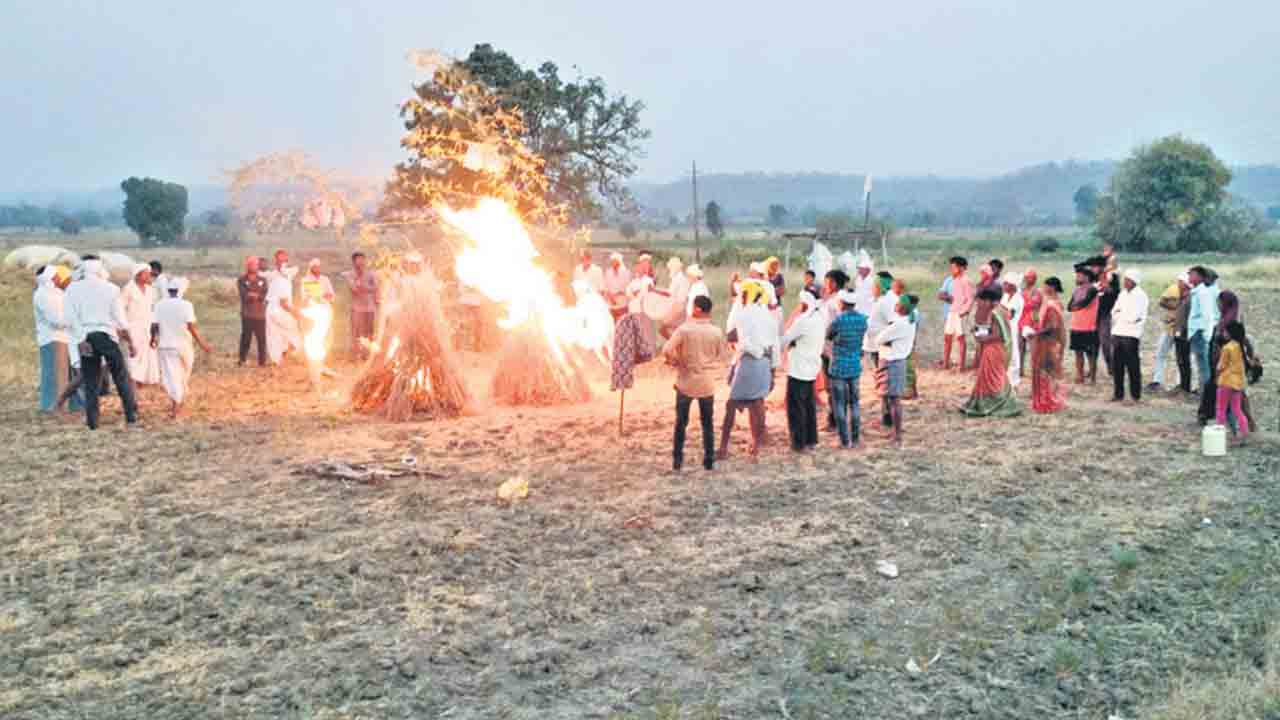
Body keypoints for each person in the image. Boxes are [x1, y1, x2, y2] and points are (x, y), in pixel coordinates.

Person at [64, 259, 138, 429]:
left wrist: (81, 339)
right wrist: (131, 342)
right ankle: (131, 417)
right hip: (107, 337)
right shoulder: (111, 289)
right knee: (121, 378)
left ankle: (92, 422)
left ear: (83, 271)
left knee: (91, 382)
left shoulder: (72, 289)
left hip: (86, 338)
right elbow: (120, 319)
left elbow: (70, 317)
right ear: (100, 270)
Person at [662, 295, 728, 471]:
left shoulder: (685, 329)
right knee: (707, 424)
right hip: (707, 383)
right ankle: (708, 460)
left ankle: (677, 460)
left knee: (680, 423)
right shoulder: (716, 331)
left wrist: (675, 361)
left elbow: (667, 349)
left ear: (697, 309)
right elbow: (721, 357)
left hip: (686, 381)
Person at [718, 281, 778, 461]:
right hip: (765, 363)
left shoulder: (743, 313)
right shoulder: (769, 316)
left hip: (749, 361)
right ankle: (756, 446)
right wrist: (773, 371)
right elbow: (774, 345)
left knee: (731, 405)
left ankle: (723, 448)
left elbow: (734, 337)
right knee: (758, 405)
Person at [152, 277, 212, 417]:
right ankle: (177, 403)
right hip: (183, 345)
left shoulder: (159, 305)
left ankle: (177, 400)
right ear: (181, 291)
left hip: (166, 346)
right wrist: (202, 343)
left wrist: (152, 339)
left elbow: (154, 325)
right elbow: (190, 327)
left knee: (171, 375)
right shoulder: (186, 305)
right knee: (183, 374)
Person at [961, 287, 1021, 418]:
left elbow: (997, 334)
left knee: (991, 376)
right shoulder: (1002, 309)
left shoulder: (995, 312)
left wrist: (980, 337)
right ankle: (1002, 399)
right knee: (995, 375)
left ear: (988, 300)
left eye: (981, 301)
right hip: (999, 348)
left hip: (992, 349)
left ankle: (995, 402)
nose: (979, 304)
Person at [781, 291, 826, 452]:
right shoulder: (819, 319)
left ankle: (798, 443)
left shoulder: (802, 321)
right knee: (809, 406)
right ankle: (811, 440)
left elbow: (785, 339)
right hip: (812, 368)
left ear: (805, 304)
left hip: (798, 369)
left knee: (795, 408)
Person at [33, 265, 80, 412]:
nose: (60, 278)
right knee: (54, 374)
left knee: (68, 374)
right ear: (50, 278)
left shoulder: (56, 293)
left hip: (65, 338)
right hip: (53, 338)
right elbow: (55, 320)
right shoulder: (42, 295)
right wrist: (74, 321)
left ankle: (72, 405)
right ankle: (50, 406)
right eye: (56, 276)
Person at [825, 288, 868, 448]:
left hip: (838, 367)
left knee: (839, 404)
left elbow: (828, 335)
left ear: (842, 303)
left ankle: (844, 440)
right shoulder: (863, 319)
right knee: (855, 403)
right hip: (855, 366)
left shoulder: (838, 320)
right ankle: (855, 439)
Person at [875, 294, 918, 447]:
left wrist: (886, 338)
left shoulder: (899, 324)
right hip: (898, 361)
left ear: (903, 308)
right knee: (893, 400)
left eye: (898, 303)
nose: (895, 305)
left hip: (892, 362)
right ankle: (895, 431)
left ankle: (897, 435)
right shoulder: (910, 319)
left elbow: (878, 339)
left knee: (894, 401)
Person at [1029, 277, 1068, 414]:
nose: (1043, 289)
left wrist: (1036, 333)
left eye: (1045, 286)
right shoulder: (1054, 302)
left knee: (1047, 370)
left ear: (1052, 287)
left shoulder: (1051, 305)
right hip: (1050, 341)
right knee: (1050, 371)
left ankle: (1049, 401)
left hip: (1049, 342)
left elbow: (1053, 326)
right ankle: (1050, 399)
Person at [1110, 268, 1148, 403]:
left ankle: (1135, 395)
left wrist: (1122, 315)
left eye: (1127, 280)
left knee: (1132, 365)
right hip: (1118, 331)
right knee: (1117, 365)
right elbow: (1114, 311)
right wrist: (1122, 315)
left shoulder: (1141, 296)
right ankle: (1118, 394)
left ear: (1134, 281)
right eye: (1124, 280)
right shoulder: (1122, 294)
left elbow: (1134, 316)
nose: (1124, 282)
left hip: (1131, 334)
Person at [120, 263, 161, 387]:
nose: (150, 276)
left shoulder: (150, 290)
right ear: (138, 275)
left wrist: (154, 331)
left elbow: (152, 310)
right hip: (132, 328)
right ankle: (131, 386)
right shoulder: (128, 289)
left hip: (146, 328)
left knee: (145, 358)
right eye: (147, 273)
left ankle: (139, 384)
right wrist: (122, 329)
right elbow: (120, 309)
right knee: (133, 358)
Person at [1214, 321, 1251, 445]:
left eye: (1225, 331)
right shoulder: (1241, 347)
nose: (1223, 333)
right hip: (1238, 383)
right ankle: (1245, 433)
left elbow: (1221, 366)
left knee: (1221, 409)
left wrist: (1217, 371)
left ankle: (1219, 435)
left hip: (1226, 381)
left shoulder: (1227, 348)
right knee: (1237, 409)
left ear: (1230, 333)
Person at [1149, 273, 1186, 391]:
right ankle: (1157, 380)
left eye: (1181, 281)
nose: (1178, 283)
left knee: (1180, 357)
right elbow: (1162, 301)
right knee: (1161, 353)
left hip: (1181, 329)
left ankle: (1180, 383)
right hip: (1170, 327)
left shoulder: (1191, 294)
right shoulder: (1174, 289)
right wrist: (1174, 305)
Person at [265, 249, 302, 365]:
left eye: (284, 259)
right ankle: (281, 357)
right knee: (285, 332)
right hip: (277, 309)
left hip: (275, 309)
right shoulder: (276, 277)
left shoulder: (286, 275)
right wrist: (296, 313)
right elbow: (283, 302)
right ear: (276, 261)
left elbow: (291, 271)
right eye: (279, 260)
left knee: (280, 334)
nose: (282, 262)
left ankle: (280, 358)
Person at [1187, 266, 1220, 392]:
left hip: (1200, 332)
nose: (1189, 277)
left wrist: (1206, 334)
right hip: (1196, 331)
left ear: (1200, 277)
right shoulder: (1197, 291)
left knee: (1203, 365)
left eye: (1192, 274)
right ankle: (1204, 391)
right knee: (1201, 364)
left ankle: (1206, 393)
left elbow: (1208, 315)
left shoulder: (1203, 293)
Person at [1068, 266, 1101, 384]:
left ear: (1087, 277)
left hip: (1089, 327)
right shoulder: (1076, 290)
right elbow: (1069, 307)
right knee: (1078, 353)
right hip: (1076, 325)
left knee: (1090, 355)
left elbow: (1082, 304)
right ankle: (1080, 376)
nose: (1077, 277)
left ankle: (1092, 378)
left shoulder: (1092, 290)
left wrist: (1076, 306)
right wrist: (1076, 306)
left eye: (1079, 275)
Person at [343, 251, 379, 359]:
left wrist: (367, 289)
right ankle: (355, 355)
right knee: (356, 333)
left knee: (369, 332)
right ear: (354, 262)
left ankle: (367, 355)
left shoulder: (371, 274)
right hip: (357, 308)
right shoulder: (350, 274)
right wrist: (365, 286)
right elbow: (354, 289)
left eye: (363, 259)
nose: (361, 262)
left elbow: (376, 288)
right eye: (358, 260)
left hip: (370, 308)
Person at [235, 256, 269, 366]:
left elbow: (264, 296)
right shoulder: (241, 280)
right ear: (246, 266)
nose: (252, 266)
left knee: (261, 339)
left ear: (258, 266)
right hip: (247, 314)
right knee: (246, 338)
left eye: (254, 264)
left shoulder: (263, 280)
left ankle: (262, 362)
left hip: (260, 314)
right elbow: (244, 295)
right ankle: (242, 359)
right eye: (250, 264)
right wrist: (256, 295)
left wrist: (253, 295)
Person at [941, 257, 973, 371]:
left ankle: (962, 366)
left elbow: (969, 299)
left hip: (960, 313)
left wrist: (964, 312)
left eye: (953, 267)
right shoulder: (955, 280)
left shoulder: (966, 280)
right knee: (947, 337)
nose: (951, 269)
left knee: (960, 338)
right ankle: (946, 363)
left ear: (960, 267)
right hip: (952, 311)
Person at [864, 271, 897, 371]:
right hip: (875, 344)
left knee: (883, 373)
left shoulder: (888, 300)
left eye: (874, 285)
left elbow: (894, 323)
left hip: (883, 346)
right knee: (879, 371)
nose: (872, 288)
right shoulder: (879, 299)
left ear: (880, 286)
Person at [1094, 257, 1120, 377]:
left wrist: (1106, 286)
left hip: (1105, 313)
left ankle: (1111, 366)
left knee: (1105, 342)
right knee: (1093, 343)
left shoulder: (1113, 278)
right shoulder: (1093, 278)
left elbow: (1115, 293)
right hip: (1093, 314)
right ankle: (1092, 368)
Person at [1000, 273, 1025, 389]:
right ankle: (1004, 381)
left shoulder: (1018, 298)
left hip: (1013, 328)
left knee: (1013, 355)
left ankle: (1014, 383)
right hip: (1003, 327)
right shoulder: (1005, 296)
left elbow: (1010, 315)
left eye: (1006, 283)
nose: (1003, 285)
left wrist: (999, 307)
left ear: (1013, 285)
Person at [1017, 269, 1042, 376]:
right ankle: (1020, 370)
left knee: (1033, 350)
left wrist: (1022, 301)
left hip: (1031, 322)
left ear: (1034, 279)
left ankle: (1035, 371)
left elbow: (1033, 304)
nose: (1026, 279)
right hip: (1020, 321)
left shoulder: (1037, 291)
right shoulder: (1021, 290)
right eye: (1026, 277)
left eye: (1029, 277)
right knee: (1020, 347)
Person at [1172, 273, 1193, 394]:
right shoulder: (1183, 296)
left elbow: (1188, 317)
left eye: (1180, 282)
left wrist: (1182, 330)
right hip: (1179, 333)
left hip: (1184, 334)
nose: (1178, 284)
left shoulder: (1190, 297)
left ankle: (1186, 387)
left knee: (1184, 360)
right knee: (1180, 360)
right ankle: (1183, 385)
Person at [603, 252, 631, 321]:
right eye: (612, 261)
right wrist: (610, 297)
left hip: (622, 303)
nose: (613, 263)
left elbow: (627, 288)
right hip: (610, 302)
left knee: (621, 322)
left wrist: (616, 295)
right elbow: (605, 287)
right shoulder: (608, 272)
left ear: (619, 262)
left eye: (614, 261)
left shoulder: (626, 272)